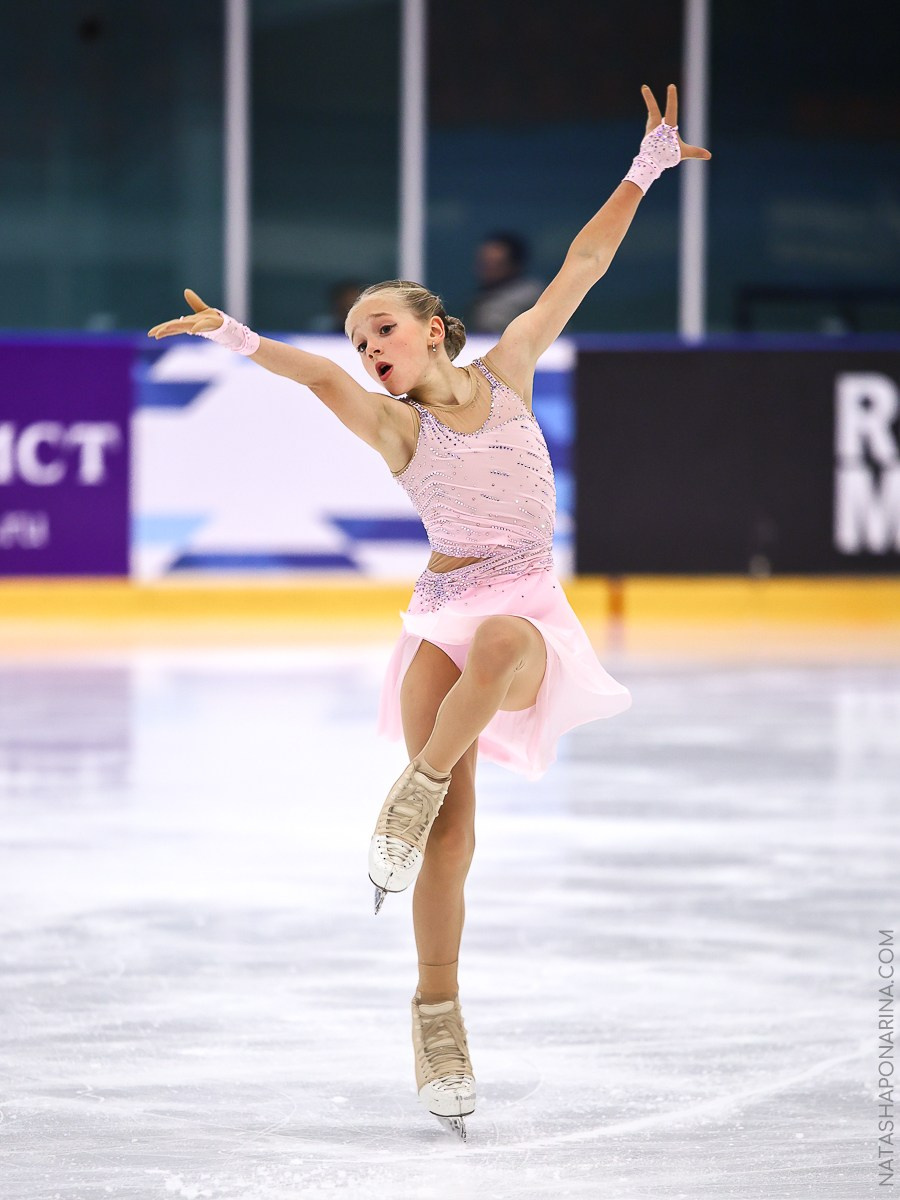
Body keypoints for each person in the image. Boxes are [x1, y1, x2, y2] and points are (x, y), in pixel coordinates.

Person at [148, 83, 711, 1141]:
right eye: (363, 342)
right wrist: (232, 335)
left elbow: (582, 266)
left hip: (522, 612)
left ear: (436, 328)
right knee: (451, 847)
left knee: (503, 645)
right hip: (437, 621)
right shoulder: (398, 432)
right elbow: (312, 375)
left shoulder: (512, 368)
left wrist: (645, 168)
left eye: (383, 332)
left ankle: (413, 787)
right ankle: (436, 1012)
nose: (368, 351)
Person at [467, 232, 543, 333]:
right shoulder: (478, 298)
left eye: (496, 264)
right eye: (484, 263)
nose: (488, 270)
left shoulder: (534, 297)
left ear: (515, 265)